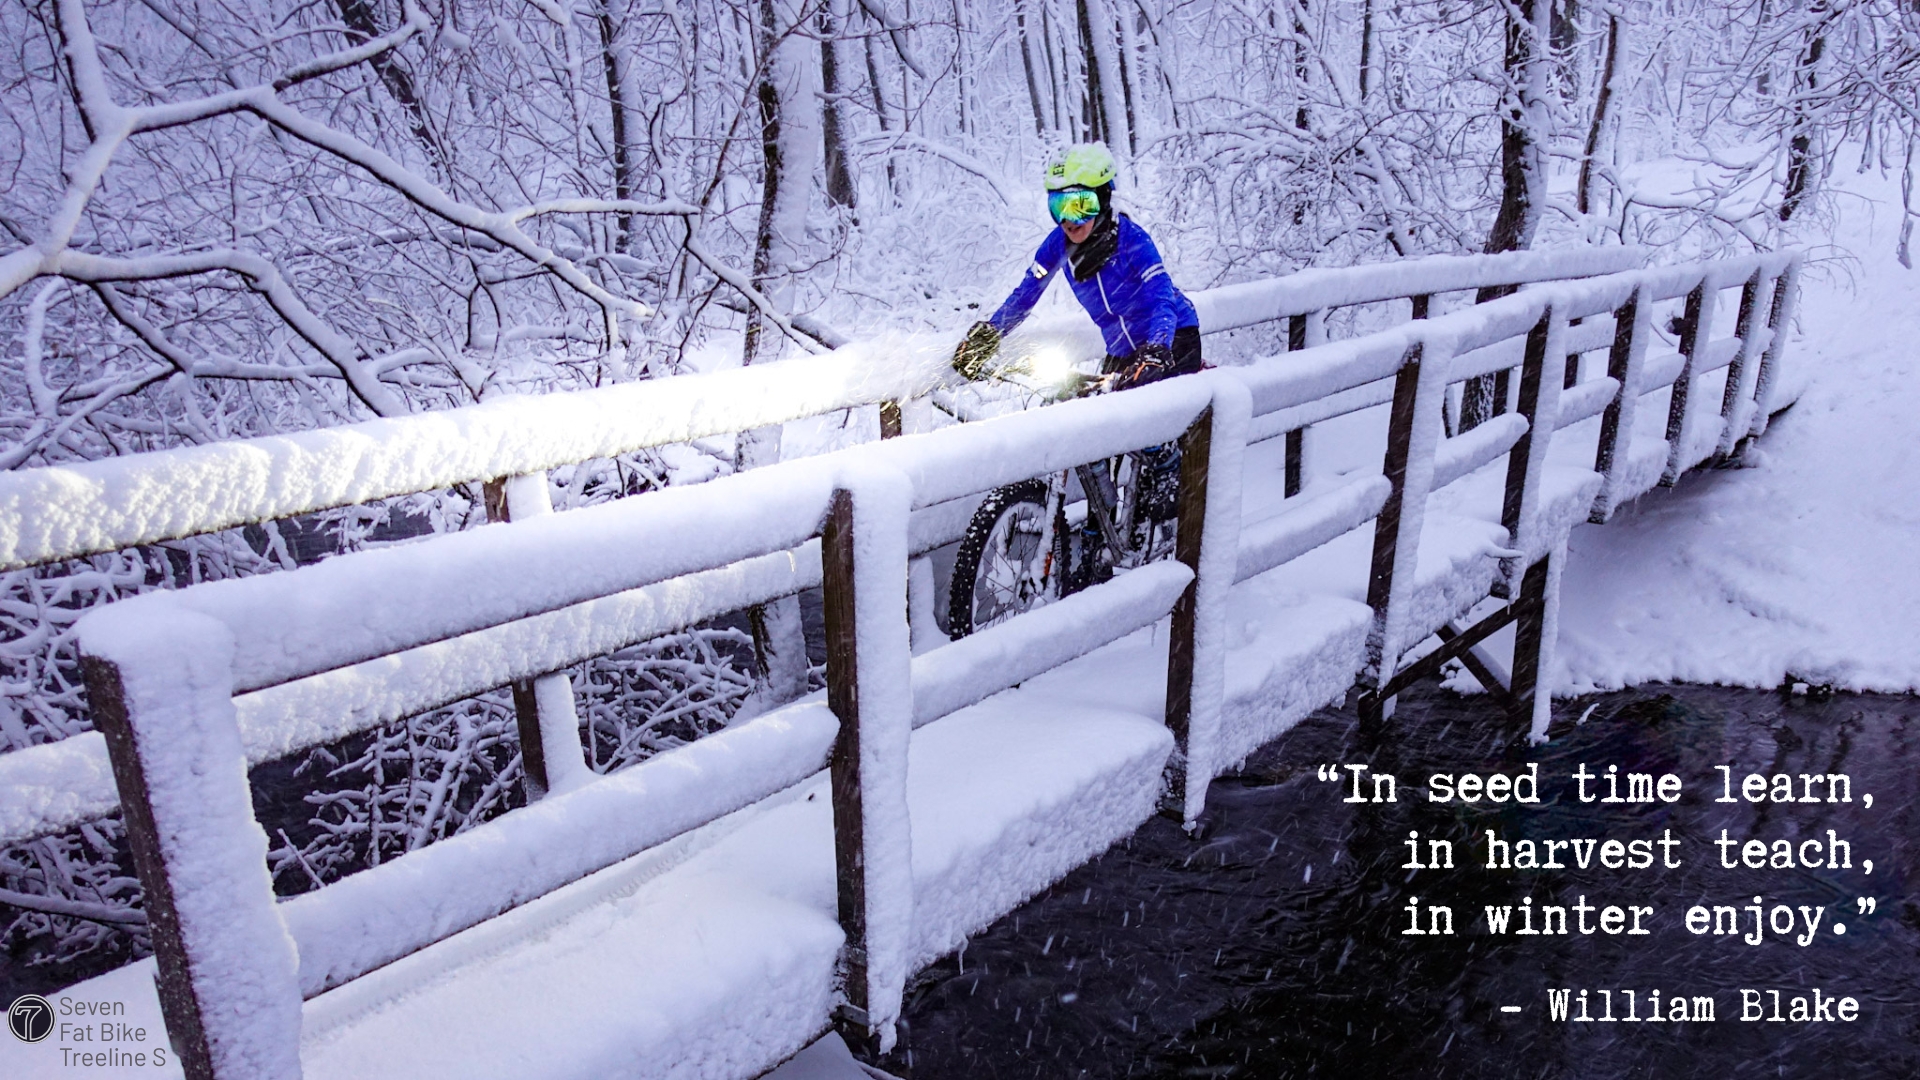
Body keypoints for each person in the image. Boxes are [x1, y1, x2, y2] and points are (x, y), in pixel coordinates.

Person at [952, 143, 1203, 391]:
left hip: (1173, 341)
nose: (1069, 220)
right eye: (1058, 207)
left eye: (1081, 206)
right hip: (1122, 351)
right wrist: (991, 334)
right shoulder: (1056, 246)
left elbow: (1162, 299)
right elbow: (1025, 295)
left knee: (1141, 419)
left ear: (1103, 199)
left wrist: (1158, 347)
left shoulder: (1133, 241)